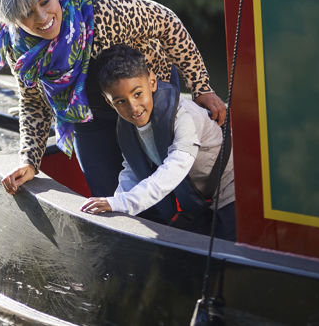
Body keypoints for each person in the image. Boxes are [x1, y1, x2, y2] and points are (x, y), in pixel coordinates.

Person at [0, 0, 226, 197]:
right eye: (26, 14)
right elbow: (33, 100)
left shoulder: (104, 5)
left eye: (45, 1)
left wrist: (201, 86)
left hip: (146, 94)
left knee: (172, 180)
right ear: (11, 20)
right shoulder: (14, 45)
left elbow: (168, 23)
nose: (43, 17)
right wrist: (29, 159)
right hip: (88, 113)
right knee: (106, 191)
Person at [80, 44, 235, 240]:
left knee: (231, 261)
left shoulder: (184, 115)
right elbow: (131, 169)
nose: (133, 107)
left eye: (138, 94)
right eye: (120, 101)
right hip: (201, 203)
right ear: (109, 101)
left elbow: (175, 168)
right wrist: (116, 203)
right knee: (172, 257)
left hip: (232, 194)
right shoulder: (127, 126)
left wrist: (125, 203)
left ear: (152, 82)